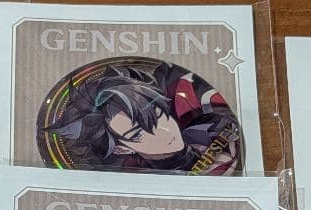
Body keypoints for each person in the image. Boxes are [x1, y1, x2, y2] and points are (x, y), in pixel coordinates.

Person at [41, 63, 239, 174]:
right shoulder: (144, 183)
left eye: (158, 115)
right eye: (137, 135)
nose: (163, 132)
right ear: (122, 148)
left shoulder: (213, 124)